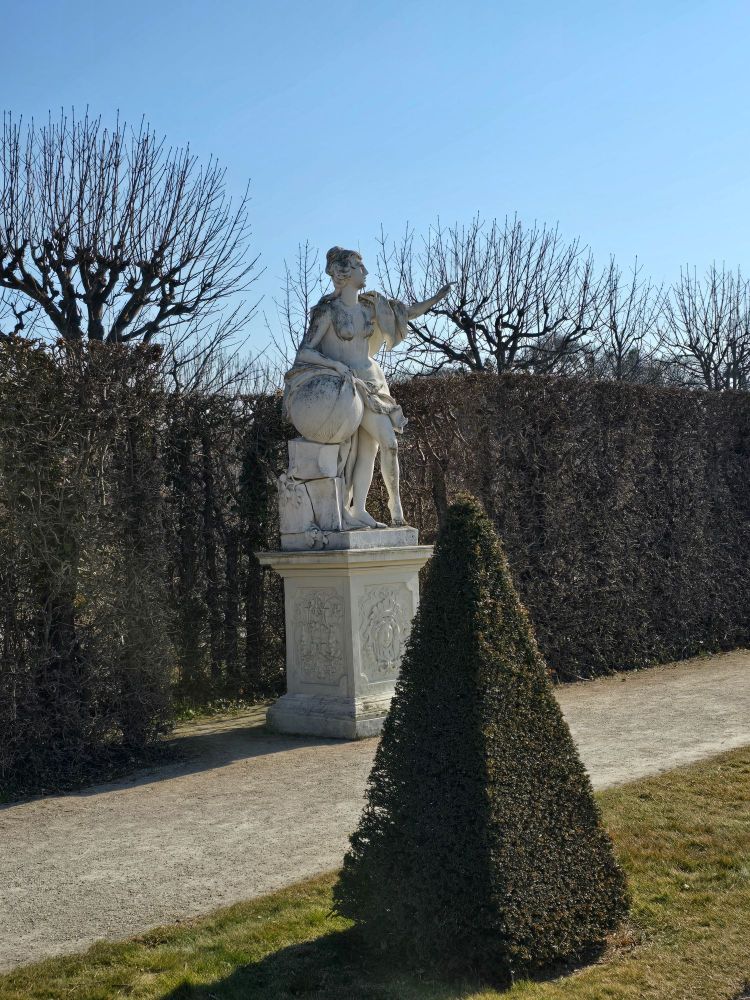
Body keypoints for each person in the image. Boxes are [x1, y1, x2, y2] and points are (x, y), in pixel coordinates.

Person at [283, 247, 450, 528]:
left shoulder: (371, 308)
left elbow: (405, 313)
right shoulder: (327, 311)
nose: (366, 273)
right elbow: (304, 353)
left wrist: (434, 299)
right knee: (353, 451)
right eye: (361, 267)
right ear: (345, 274)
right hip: (345, 387)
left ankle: (392, 505)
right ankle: (353, 508)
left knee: (387, 444)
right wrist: (334, 366)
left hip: (371, 381)